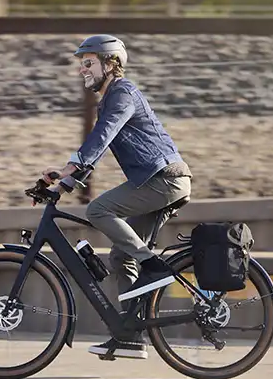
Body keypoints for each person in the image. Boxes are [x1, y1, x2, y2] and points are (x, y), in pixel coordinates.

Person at [40, 34, 192, 360]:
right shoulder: (109, 99)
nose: (83, 69)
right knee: (122, 257)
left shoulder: (123, 93)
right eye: (82, 64)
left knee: (98, 210)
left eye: (89, 63)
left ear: (111, 63)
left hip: (165, 180)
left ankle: (154, 265)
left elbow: (104, 133)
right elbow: (101, 144)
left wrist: (72, 166)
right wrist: (67, 178)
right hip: (156, 182)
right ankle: (131, 336)